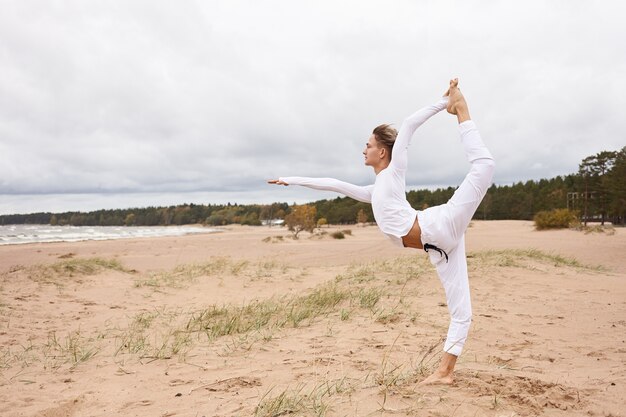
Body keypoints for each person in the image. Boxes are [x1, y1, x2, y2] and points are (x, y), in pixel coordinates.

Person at [268, 79, 495, 385]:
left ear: (383, 153)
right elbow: (332, 183)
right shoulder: (375, 191)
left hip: (439, 225)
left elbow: (409, 124)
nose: (364, 149)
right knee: (461, 311)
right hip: (440, 249)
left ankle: (462, 109)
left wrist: (445, 104)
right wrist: (290, 179)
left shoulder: (395, 170)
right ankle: (445, 373)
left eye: (369, 145)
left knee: (484, 166)